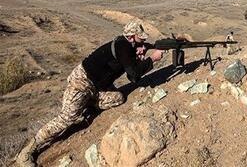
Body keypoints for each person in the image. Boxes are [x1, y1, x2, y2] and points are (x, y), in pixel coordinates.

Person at [16, 21, 164, 167]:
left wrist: (139, 56)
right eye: (140, 37)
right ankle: (28, 151)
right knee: (67, 118)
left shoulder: (127, 45)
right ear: (131, 37)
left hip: (97, 87)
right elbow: (135, 74)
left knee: (118, 98)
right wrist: (153, 58)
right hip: (81, 82)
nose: (143, 39)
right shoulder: (123, 47)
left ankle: (88, 103)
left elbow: (132, 76)